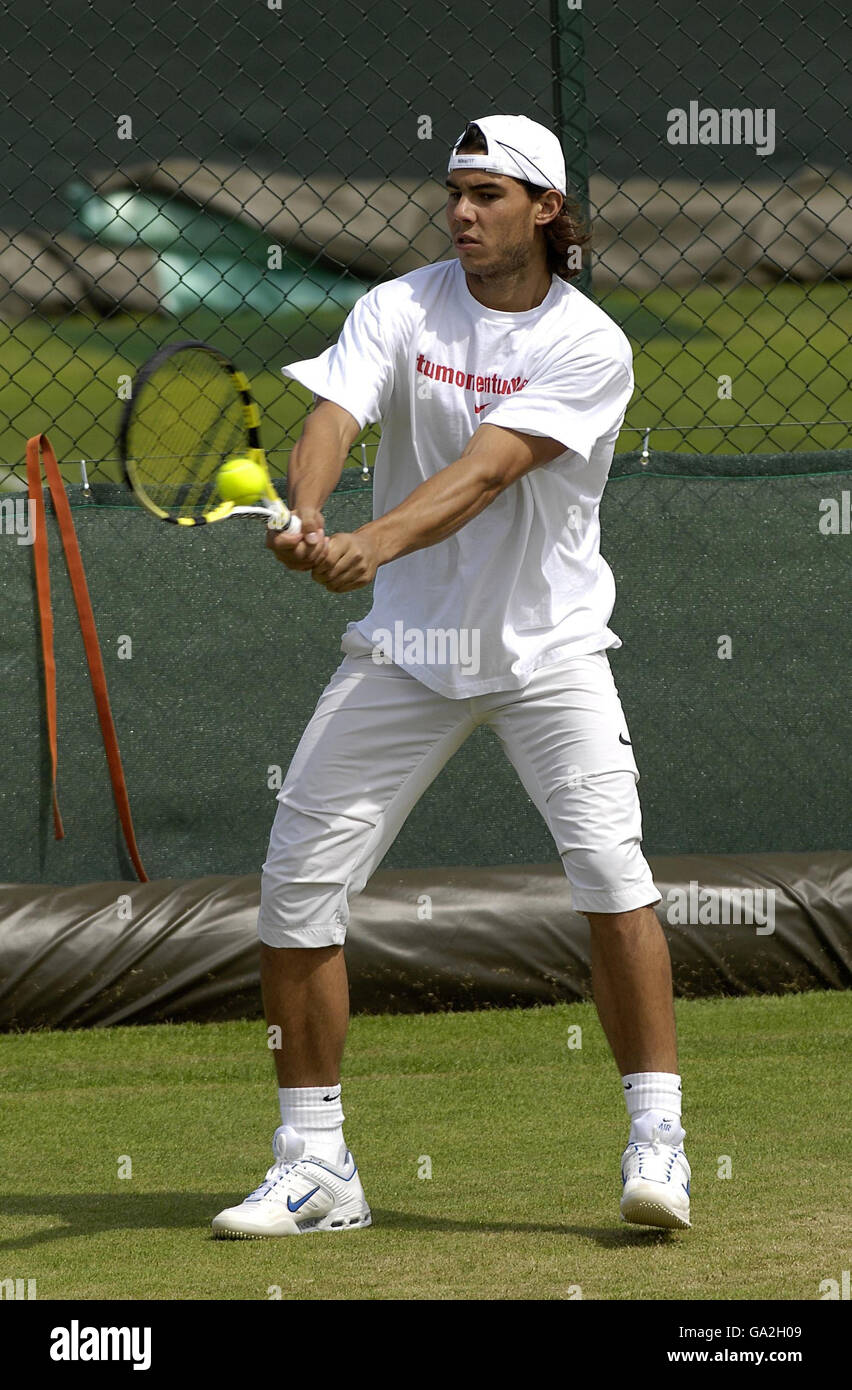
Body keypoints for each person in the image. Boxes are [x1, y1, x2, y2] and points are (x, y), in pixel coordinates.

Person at [211, 115, 690, 1239]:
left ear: (546, 212)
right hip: (410, 651)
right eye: (454, 192)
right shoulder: (399, 305)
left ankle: (658, 1137)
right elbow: (334, 412)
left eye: (486, 194)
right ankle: (317, 1165)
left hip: (549, 650)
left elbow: (487, 473)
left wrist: (370, 545)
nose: (462, 212)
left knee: (614, 878)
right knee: (292, 892)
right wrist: (316, 507)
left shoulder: (591, 344)